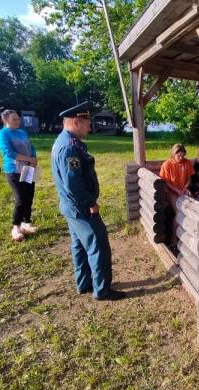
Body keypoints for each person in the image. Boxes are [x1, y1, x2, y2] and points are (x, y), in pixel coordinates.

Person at [51, 101, 125, 301]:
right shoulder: (69, 147)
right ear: (76, 121)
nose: (90, 127)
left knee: (79, 245)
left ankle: (83, 284)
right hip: (80, 209)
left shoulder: (66, 141)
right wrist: (89, 204)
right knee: (98, 246)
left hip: (71, 207)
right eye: (87, 123)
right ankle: (102, 290)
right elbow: (73, 184)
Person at [0, 108, 38, 241]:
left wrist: (34, 158)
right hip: (14, 171)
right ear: (5, 120)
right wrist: (29, 159)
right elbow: (8, 153)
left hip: (28, 168)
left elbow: (31, 147)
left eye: (18, 119)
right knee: (20, 199)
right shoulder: (2, 134)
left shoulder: (22, 132)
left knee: (29, 196)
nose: (17, 121)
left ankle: (26, 222)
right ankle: (16, 227)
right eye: (14, 119)